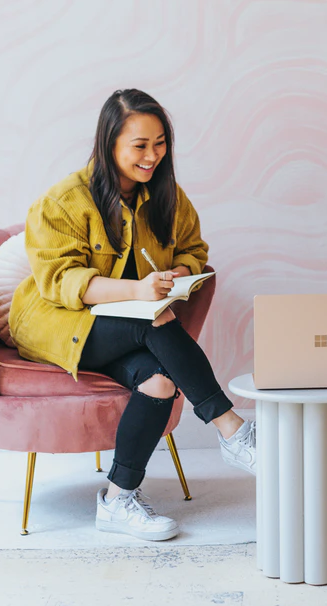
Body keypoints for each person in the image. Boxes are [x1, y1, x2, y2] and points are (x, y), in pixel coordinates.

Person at [9, 89, 256, 542]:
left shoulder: (166, 195)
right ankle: (232, 430)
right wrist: (138, 291)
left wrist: (181, 271)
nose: (152, 156)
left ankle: (118, 499)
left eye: (160, 143)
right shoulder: (63, 200)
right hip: (57, 325)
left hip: (126, 331)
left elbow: (193, 248)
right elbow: (63, 282)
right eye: (139, 145)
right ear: (109, 145)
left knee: (159, 383)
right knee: (154, 320)